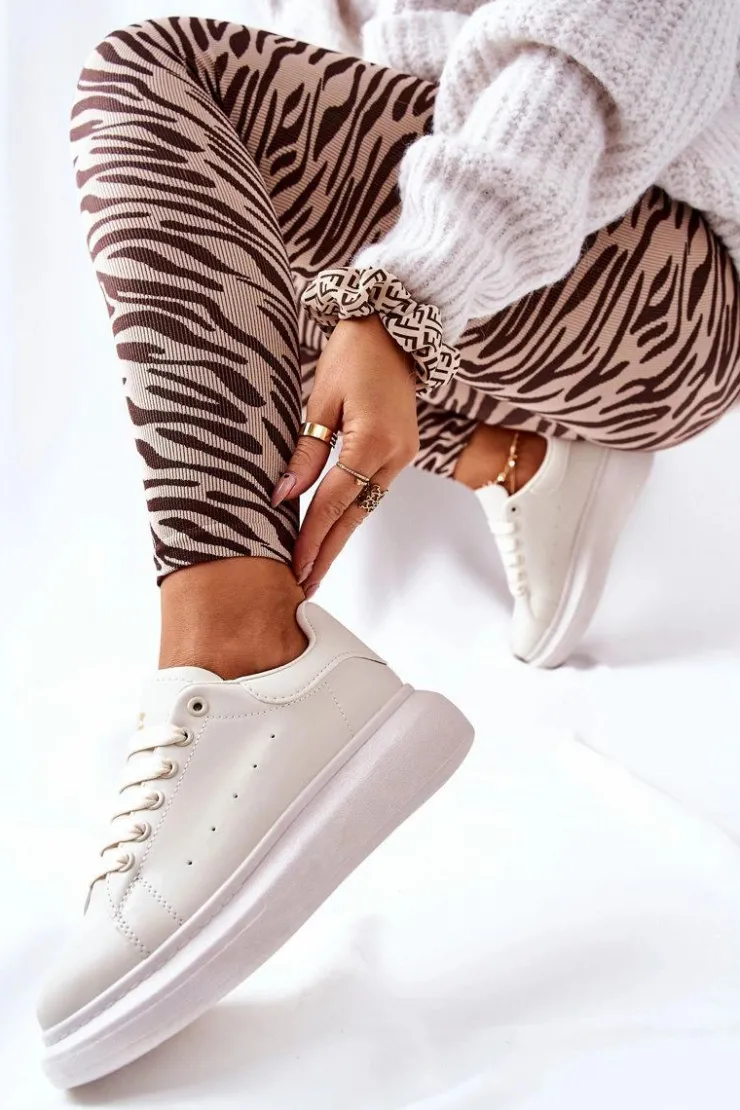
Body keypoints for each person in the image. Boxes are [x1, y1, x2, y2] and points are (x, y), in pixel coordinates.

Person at [37, 1, 740, 1087]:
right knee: (219, 245)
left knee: (156, 76)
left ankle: (242, 657)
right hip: (536, 300)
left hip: (674, 293)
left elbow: (622, 31)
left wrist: (406, 294)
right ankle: (519, 459)